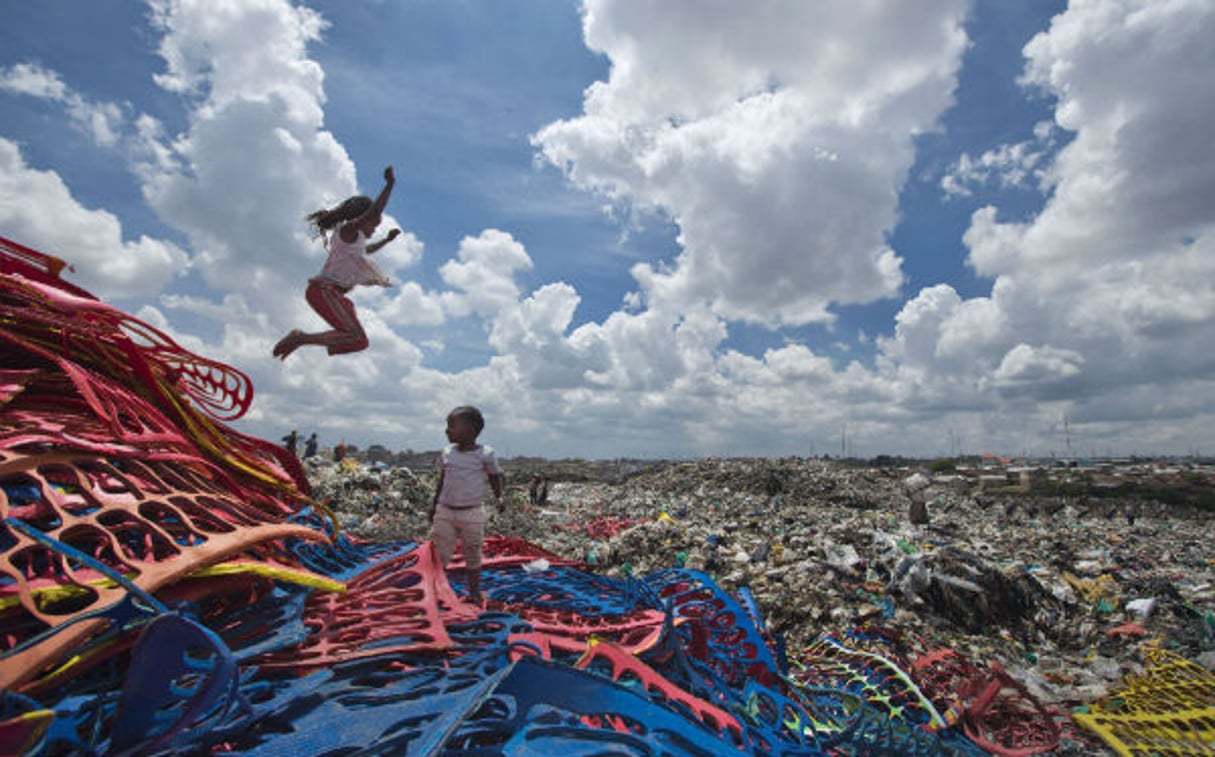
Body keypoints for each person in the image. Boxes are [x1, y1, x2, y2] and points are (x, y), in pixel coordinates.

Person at [273, 166, 401, 360]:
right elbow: (375, 210)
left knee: (359, 341)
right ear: (362, 219)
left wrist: (386, 240)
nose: (374, 229)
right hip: (324, 291)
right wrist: (390, 185)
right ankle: (300, 338)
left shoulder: (354, 243)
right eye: (373, 224)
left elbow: (367, 251)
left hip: (331, 294)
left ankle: (301, 339)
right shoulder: (347, 231)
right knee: (356, 336)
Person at [430, 406, 504, 604]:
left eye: (452, 426)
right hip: (445, 510)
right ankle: (438, 590)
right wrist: (434, 504)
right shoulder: (447, 452)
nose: (447, 431)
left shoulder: (485, 454)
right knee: (440, 553)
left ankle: (474, 591)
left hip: (472, 512)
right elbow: (442, 479)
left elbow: (495, 476)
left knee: (473, 551)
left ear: (471, 430)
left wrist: (500, 498)